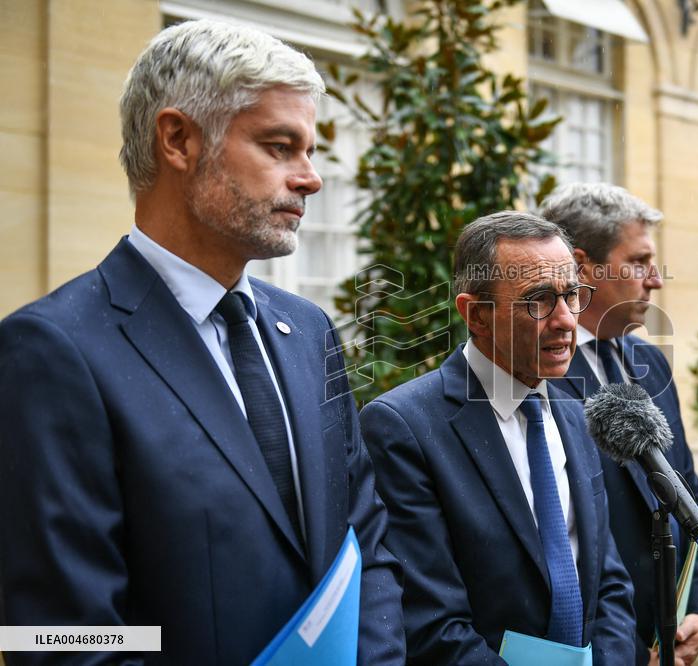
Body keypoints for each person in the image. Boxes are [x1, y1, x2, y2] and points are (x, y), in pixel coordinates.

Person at [0, 20, 404, 664]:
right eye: (280, 146)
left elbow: (365, 544)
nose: (311, 178)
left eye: (310, 150)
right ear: (178, 140)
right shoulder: (52, 349)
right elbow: (61, 634)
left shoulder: (308, 332)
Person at [359, 211, 636, 664]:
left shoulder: (579, 408)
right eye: (540, 300)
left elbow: (609, 581)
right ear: (477, 315)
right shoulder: (403, 426)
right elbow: (431, 622)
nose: (566, 320)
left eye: (571, 295)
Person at [541, 183, 698, 666]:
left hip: (672, 636)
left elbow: (687, 488)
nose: (656, 280)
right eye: (639, 263)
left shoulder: (649, 362)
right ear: (582, 268)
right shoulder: (534, 376)